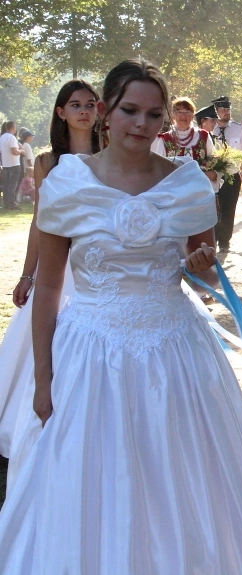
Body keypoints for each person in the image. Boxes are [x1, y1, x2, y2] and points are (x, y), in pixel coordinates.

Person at [0, 58, 242, 573]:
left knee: (183, 480)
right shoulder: (67, 183)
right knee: (88, 477)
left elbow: (205, 278)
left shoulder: (187, 184)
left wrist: (203, 267)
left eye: (154, 114)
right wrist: (43, 379)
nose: (142, 124)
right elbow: (49, 286)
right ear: (105, 111)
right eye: (130, 111)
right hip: (89, 357)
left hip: (175, 355)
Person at [0, 80, 101, 490]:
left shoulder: (110, 157)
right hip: (59, 264)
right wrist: (29, 273)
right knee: (45, 336)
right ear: (61, 112)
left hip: (97, 264)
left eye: (90, 104)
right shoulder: (47, 162)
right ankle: (31, 412)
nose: (84, 111)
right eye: (75, 104)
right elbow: (40, 223)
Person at [211, 95, 242, 253]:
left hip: (232, 175)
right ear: (216, 111)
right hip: (213, 176)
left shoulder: (238, 128)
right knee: (213, 208)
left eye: (228, 109)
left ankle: (224, 241)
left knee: (229, 209)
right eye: (223, 109)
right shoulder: (209, 129)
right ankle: (213, 238)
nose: (227, 112)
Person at [151, 97, 219, 191]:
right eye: (179, 112)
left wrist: (212, 173)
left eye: (187, 112)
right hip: (174, 192)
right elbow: (157, 168)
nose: (183, 116)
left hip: (200, 191)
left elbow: (215, 162)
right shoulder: (165, 139)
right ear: (173, 115)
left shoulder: (203, 136)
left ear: (193, 115)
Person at [0, 120, 23, 210]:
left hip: (5, 164)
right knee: (12, 185)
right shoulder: (12, 138)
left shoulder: (2, 137)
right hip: (14, 164)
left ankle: (6, 203)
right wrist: (21, 151)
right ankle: (12, 203)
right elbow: (14, 151)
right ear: (13, 127)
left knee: (6, 184)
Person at [16, 128, 36, 201]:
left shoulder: (24, 145)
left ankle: (25, 196)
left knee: (27, 183)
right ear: (28, 137)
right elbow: (29, 158)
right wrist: (32, 167)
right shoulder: (27, 145)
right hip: (29, 168)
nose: (32, 138)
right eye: (31, 136)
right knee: (30, 183)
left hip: (26, 168)